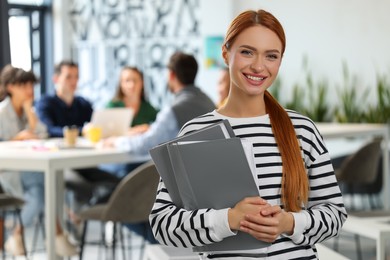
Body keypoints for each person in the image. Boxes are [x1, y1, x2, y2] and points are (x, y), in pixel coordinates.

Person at [149, 9, 347, 259]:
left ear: (280, 61)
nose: (258, 66)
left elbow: (335, 214)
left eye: (271, 56)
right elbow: (163, 223)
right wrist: (229, 219)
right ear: (225, 53)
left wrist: (289, 223)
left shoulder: (302, 129)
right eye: (247, 52)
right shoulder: (195, 132)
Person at [104, 51, 216, 242]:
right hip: (206, 184)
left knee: (113, 191)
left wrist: (118, 141)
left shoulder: (174, 109)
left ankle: (156, 240)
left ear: (171, 75)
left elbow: (146, 144)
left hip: (178, 189)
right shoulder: (209, 102)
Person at [0, 65, 77, 256]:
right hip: (10, 173)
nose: (29, 91)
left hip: (31, 171)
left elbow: (42, 134)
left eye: (31, 86)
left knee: (41, 193)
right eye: (24, 86)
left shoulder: (29, 111)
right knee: (51, 183)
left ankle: (18, 233)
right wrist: (17, 138)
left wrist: (29, 113)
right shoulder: (2, 113)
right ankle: (58, 230)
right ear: (10, 87)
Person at [35, 61, 120, 226]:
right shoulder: (45, 103)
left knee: (118, 183)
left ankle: (80, 216)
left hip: (85, 161)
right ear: (56, 79)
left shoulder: (83, 104)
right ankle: (72, 219)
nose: (73, 82)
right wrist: (81, 131)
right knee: (82, 187)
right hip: (60, 163)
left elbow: (95, 126)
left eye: (76, 77)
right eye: (68, 77)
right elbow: (48, 130)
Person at [101, 66, 159, 178]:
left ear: (141, 83)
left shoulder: (148, 108)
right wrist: (134, 131)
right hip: (117, 160)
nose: (131, 85)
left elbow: (158, 130)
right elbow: (104, 135)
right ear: (121, 84)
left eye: (135, 80)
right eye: (127, 81)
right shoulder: (112, 107)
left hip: (140, 158)